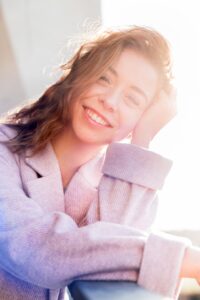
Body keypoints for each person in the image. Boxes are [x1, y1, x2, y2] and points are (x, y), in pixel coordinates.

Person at [0, 25, 199, 300]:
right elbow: (33, 249)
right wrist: (183, 258)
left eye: (132, 99)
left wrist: (143, 137)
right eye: (104, 78)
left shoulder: (125, 185)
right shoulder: (3, 149)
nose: (110, 101)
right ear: (78, 77)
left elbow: (108, 268)